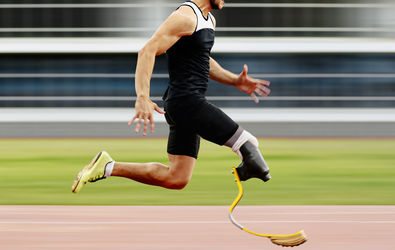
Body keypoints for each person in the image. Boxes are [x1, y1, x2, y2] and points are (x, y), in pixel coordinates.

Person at [72, 0, 271, 194]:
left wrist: (235, 81)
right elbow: (147, 50)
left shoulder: (208, 20)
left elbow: (202, 61)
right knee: (248, 144)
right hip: (188, 103)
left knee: (176, 178)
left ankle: (107, 167)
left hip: (184, 104)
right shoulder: (185, 17)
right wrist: (142, 96)